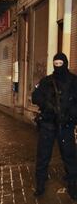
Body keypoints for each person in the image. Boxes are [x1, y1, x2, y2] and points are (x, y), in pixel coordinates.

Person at [32, 52, 77, 199]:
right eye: (55, 64)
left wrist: (71, 114)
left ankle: (73, 185)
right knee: (43, 156)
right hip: (48, 124)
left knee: (69, 157)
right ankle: (40, 184)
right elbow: (35, 96)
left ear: (65, 64)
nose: (58, 67)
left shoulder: (73, 81)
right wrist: (47, 105)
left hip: (66, 125)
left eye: (60, 64)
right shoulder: (46, 81)